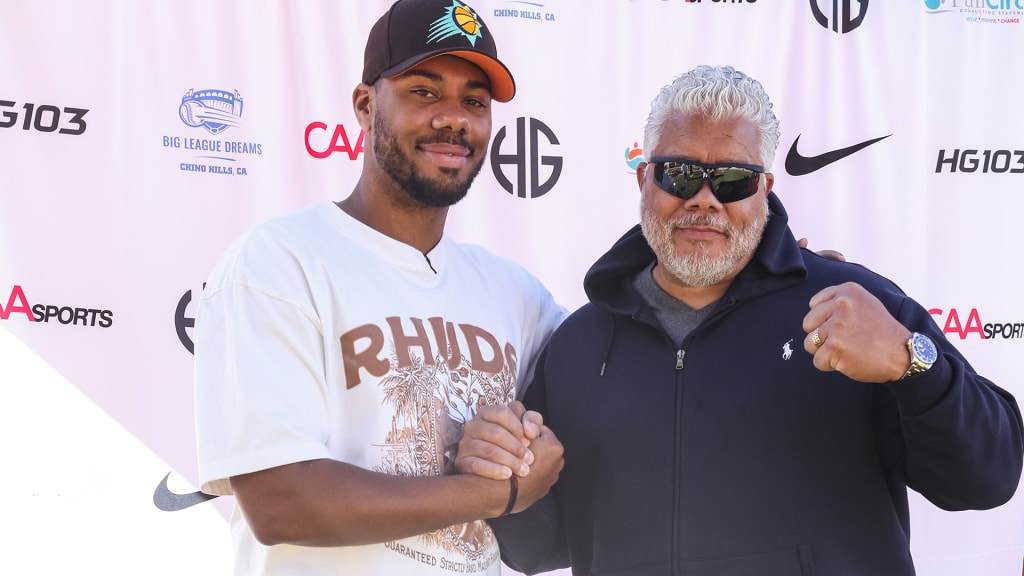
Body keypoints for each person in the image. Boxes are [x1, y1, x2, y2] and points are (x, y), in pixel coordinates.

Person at [455, 65, 1024, 576]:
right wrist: (500, 480)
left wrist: (910, 362)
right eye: (679, 174)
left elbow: (987, 477)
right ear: (643, 180)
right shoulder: (579, 346)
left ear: (765, 190)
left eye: (732, 180)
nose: (704, 199)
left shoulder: (855, 309)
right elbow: (541, 549)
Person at [193, 1, 566, 574]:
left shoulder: (517, 294)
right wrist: (499, 492)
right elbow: (281, 502)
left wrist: (529, 445)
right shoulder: (279, 263)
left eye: (474, 101)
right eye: (423, 91)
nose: (453, 118)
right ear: (366, 107)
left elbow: (609, 392)